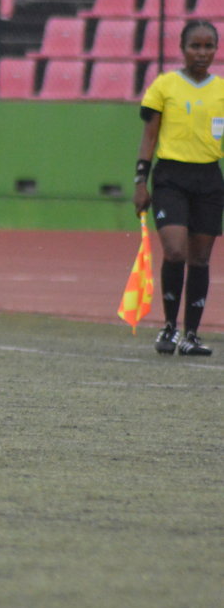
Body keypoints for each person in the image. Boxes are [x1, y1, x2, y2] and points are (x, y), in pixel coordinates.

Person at [134, 19, 223, 356]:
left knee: (200, 258)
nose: (202, 53)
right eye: (195, 46)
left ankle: (192, 335)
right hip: (171, 177)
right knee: (175, 251)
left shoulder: (221, 90)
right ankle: (170, 327)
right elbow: (149, 136)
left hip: (209, 180)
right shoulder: (164, 86)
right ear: (182, 49)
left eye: (208, 46)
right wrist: (140, 180)